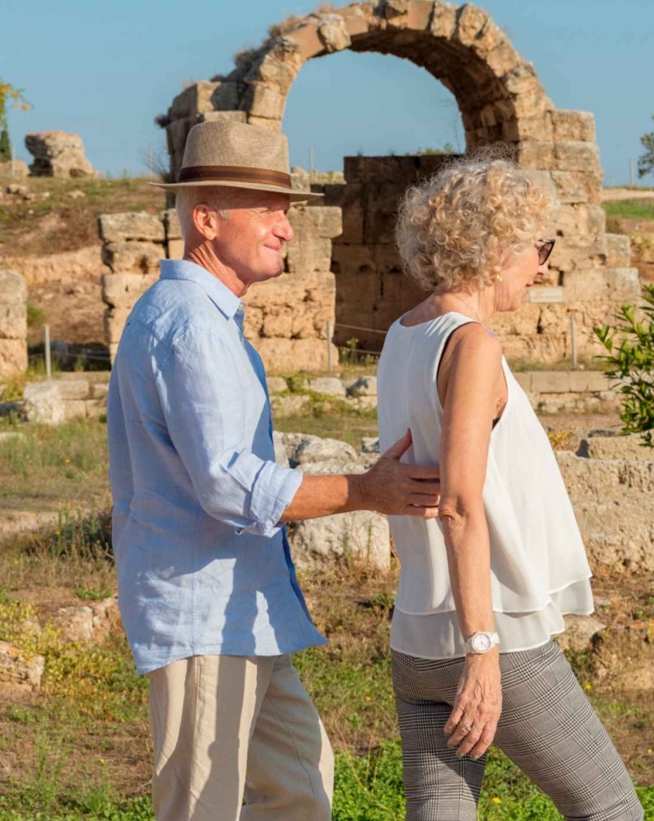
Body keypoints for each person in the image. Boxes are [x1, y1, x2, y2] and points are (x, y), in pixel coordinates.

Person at [107, 119, 441, 821]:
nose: (286, 229)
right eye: (267, 210)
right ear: (206, 218)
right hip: (203, 611)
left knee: (299, 789)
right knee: (204, 806)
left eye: (286, 212)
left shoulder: (207, 318)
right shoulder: (193, 326)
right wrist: (365, 490)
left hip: (241, 610)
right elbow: (228, 482)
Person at [376, 152, 644, 821]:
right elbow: (461, 504)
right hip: (493, 630)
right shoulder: (473, 346)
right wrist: (483, 648)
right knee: (611, 808)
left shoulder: (399, 336)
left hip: (414, 635)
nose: (545, 264)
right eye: (540, 247)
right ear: (496, 250)